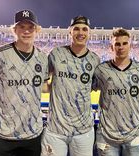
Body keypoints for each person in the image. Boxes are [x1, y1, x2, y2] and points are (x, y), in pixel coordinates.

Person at [0, 9, 49, 156]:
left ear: (37, 30)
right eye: (22, 27)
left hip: (33, 136)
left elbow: (42, 87)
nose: (26, 31)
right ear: (14, 30)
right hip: (1, 137)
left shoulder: (42, 58)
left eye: (30, 27)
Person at [41, 15, 100, 156]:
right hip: (55, 130)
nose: (81, 33)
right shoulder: (56, 54)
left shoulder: (95, 59)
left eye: (85, 29)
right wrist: (56, 87)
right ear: (70, 32)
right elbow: (44, 84)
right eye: (77, 29)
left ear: (89, 33)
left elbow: (93, 86)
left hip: (83, 131)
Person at [92, 28, 139, 156]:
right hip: (106, 134)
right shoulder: (101, 70)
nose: (121, 47)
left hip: (134, 133)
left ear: (130, 46)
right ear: (111, 47)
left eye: (124, 43)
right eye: (117, 44)